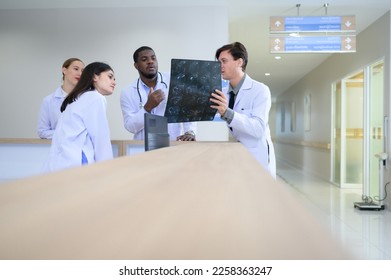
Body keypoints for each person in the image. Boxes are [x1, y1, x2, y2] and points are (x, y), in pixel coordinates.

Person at [210, 42, 276, 178]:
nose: (219, 66)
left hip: (258, 156)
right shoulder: (223, 93)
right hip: (239, 154)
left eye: (224, 61)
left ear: (239, 62)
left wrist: (227, 113)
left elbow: (258, 129)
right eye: (218, 62)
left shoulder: (260, 90)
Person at [44, 62, 116, 172]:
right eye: (110, 77)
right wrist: (107, 169)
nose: (114, 82)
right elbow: (100, 137)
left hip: (59, 162)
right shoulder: (95, 98)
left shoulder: (77, 97)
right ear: (94, 77)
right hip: (77, 162)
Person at [120, 46, 196, 141]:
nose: (150, 61)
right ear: (136, 66)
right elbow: (130, 126)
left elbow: (187, 108)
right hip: (143, 147)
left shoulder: (174, 80)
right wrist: (147, 107)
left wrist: (189, 132)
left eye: (153, 58)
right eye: (144, 59)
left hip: (172, 144)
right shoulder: (127, 92)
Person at [37, 58, 85, 139]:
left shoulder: (86, 99)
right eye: (76, 69)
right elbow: (42, 131)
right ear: (64, 70)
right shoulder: (49, 101)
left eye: (82, 71)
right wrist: (66, 133)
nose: (80, 73)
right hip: (58, 149)